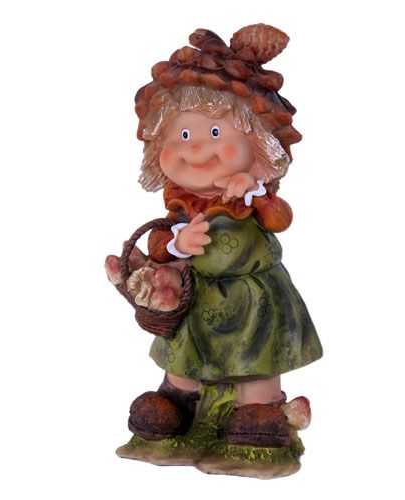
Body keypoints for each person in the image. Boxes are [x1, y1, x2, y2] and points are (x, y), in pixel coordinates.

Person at [126, 25, 323, 447]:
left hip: (254, 302)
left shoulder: (251, 196)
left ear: (258, 144)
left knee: (256, 356)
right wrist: (177, 245)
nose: (195, 148)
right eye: (182, 135)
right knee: (186, 351)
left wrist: (255, 190)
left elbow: (280, 219)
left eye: (215, 133)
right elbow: (157, 246)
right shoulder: (181, 206)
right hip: (196, 300)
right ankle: (178, 398)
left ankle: (259, 406)